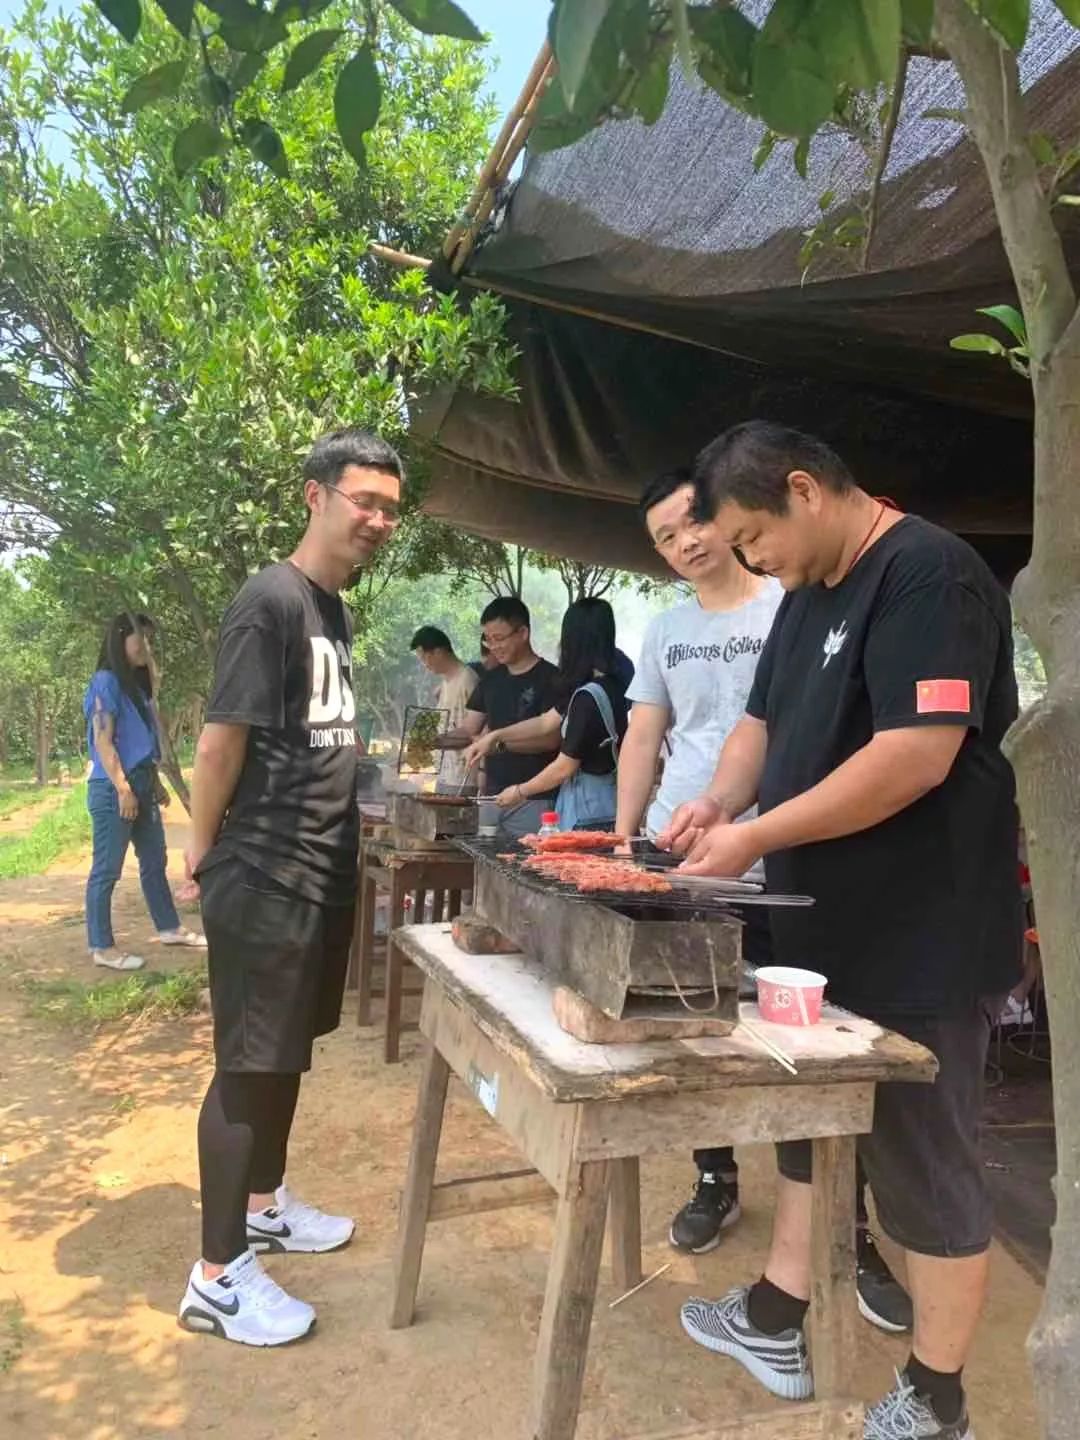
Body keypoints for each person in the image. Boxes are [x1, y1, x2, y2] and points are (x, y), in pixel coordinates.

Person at [665, 422, 1021, 1439]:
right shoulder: (805, 595)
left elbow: (917, 755)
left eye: (748, 537)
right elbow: (760, 725)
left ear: (804, 490)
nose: (746, 560)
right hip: (821, 924)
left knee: (924, 1158)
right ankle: (779, 1312)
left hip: (923, 933)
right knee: (812, 1123)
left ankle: (937, 1395)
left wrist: (758, 835)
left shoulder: (929, 577)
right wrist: (721, 808)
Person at [178, 427, 402, 1347]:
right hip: (265, 872)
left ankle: (264, 1204)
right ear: (315, 495)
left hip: (320, 870)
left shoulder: (333, 608)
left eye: (391, 506)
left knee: (288, 1054)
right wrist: (196, 858)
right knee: (247, 1065)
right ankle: (217, 1274)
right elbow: (219, 743)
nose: (379, 520)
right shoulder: (267, 602)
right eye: (364, 500)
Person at [83, 612, 205, 971]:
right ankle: (101, 946)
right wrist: (123, 788)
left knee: (154, 860)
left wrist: (152, 785)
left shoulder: (135, 686)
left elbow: (143, 741)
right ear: (120, 640)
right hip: (113, 788)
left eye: (150, 641)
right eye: (141, 640)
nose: (146, 648)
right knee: (106, 869)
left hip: (141, 783)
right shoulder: (105, 682)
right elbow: (104, 742)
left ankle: (169, 927)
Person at [466, 598, 628, 830]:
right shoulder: (601, 686)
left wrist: (521, 791)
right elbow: (546, 722)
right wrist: (495, 735)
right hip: (598, 804)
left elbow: (565, 766)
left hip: (589, 815)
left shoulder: (588, 697)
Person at [439, 597, 559, 839]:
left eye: (500, 638)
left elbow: (551, 739)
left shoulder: (552, 678)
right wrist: (436, 740)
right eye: (488, 639)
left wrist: (497, 744)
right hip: (492, 797)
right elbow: (469, 728)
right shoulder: (490, 681)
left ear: (523, 632)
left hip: (534, 799)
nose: (493, 646)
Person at [410, 625, 478, 793]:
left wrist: (431, 742)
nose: (425, 665)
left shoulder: (468, 679)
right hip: (444, 774)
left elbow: (474, 732)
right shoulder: (444, 683)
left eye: (425, 658)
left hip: (464, 777)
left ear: (439, 651)